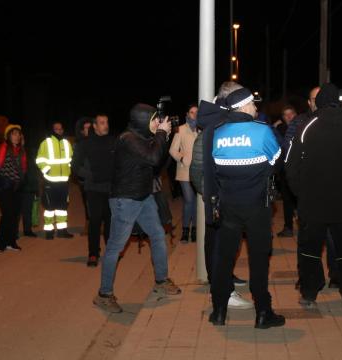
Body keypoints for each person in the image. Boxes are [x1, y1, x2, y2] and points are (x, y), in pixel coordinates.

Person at [285, 83, 342, 309]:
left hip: (313, 202)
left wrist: (300, 193)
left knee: (310, 250)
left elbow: (291, 166)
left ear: (319, 102)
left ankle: (309, 294)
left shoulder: (307, 126)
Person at [208, 84, 285, 329]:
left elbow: (215, 168)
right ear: (243, 106)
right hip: (257, 207)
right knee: (259, 260)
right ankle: (263, 312)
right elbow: (276, 163)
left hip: (228, 206)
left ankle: (219, 311)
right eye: (253, 104)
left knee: (224, 258)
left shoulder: (218, 132)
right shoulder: (262, 132)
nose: (255, 107)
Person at [93, 103, 181, 314]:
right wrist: (161, 132)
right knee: (116, 247)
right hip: (125, 200)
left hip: (143, 196)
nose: (157, 123)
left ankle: (161, 280)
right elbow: (151, 157)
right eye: (153, 120)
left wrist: (163, 135)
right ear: (142, 121)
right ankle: (104, 295)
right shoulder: (128, 139)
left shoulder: (141, 137)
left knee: (158, 235)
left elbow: (158, 160)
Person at [192, 81, 252, 310]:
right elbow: (197, 168)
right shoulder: (216, 125)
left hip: (223, 199)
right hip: (221, 201)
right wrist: (213, 196)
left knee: (222, 245)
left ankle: (224, 281)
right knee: (218, 246)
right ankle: (223, 291)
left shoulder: (217, 122)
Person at [72, 113, 116, 267]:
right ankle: (93, 253)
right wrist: (90, 176)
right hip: (93, 189)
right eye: (102, 123)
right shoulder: (85, 144)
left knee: (110, 221)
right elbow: (75, 166)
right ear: (95, 126)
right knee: (95, 221)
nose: (106, 125)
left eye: (107, 122)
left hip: (110, 189)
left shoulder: (113, 141)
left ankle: (111, 253)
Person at [36, 122, 74, 239]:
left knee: (62, 208)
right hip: (50, 181)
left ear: (63, 130)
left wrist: (69, 171)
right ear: (52, 130)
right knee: (49, 208)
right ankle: (49, 231)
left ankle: (62, 231)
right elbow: (39, 160)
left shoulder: (67, 143)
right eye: (56, 129)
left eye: (60, 129)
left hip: (63, 182)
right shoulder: (46, 143)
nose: (58, 131)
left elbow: (71, 159)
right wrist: (47, 170)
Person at [0, 124, 27, 252]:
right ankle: (2, 242)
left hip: (17, 187)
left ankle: (12, 242)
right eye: (14, 134)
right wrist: (2, 183)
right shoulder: (4, 148)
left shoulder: (21, 150)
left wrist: (21, 181)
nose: (17, 136)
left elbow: (23, 168)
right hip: (5, 186)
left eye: (18, 134)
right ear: (8, 136)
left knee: (15, 215)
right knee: (7, 214)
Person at [169, 103, 199, 244]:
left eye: (197, 112)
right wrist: (182, 158)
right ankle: (186, 230)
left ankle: (195, 231)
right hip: (184, 172)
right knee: (189, 201)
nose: (195, 114)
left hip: (199, 172)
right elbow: (172, 150)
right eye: (192, 112)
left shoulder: (201, 130)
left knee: (196, 203)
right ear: (187, 114)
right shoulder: (180, 130)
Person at [273, 105, 298, 238]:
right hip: (285, 171)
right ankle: (288, 227)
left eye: (291, 113)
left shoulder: (303, 126)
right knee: (287, 199)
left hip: (300, 170)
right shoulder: (281, 128)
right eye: (285, 115)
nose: (289, 117)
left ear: (296, 114)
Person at [74, 117, 94, 235]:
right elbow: (76, 164)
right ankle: (88, 223)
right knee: (87, 202)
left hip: (99, 180)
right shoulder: (78, 144)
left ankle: (101, 224)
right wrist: (85, 175)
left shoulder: (98, 141)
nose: (89, 130)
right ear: (81, 131)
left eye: (90, 127)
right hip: (85, 180)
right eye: (86, 128)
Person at [18, 142, 39, 238]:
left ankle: (27, 229)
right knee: (16, 211)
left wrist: (35, 187)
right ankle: (14, 231)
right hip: (18, 185)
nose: (20, 139)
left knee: (28, 209)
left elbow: (34, 171)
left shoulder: (30, 152)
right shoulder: (14, 152)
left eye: (21, 137)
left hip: (29, 185)